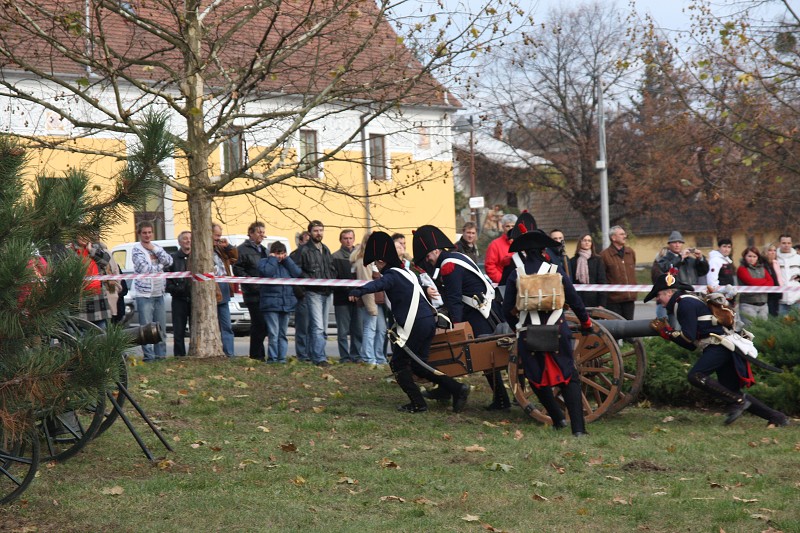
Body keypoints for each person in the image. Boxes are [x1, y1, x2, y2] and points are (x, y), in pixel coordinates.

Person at [348, 232, 470, 413]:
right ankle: (456, 389)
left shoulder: (391, 275)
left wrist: (358, 291)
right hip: (427, 322)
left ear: (382, 262)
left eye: (376, 263)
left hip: (416, 325)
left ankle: (418, 403)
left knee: (397, 364)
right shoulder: (406, 273)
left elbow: (378, 285)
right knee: (419, 366)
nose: (377, 267)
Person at [645, 272, 789, 427]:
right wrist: (668, 334)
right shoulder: (684, 301)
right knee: (731, 390)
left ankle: (738, 402)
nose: (657, 300)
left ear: (669, 292)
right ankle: (776, 417)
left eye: (659, 295)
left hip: (719, 345)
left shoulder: (683, 303)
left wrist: (666, 332)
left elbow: (688, 336)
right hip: (721, 345)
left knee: (696, 376)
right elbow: (691, 344)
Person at [502, 229, 593, 437]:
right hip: (557, 331)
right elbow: (575, 300)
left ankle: (558, 418)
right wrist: (585, 322)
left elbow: (506, 309)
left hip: (528, 333)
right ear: (544, 251)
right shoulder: (556, 269)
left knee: (535, 378)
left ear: (525, 253)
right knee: (569, 377)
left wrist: (518, 325)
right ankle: (578, 430)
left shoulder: (517, 274)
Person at [414, 224, 511, 411]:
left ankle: (501, 400)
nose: (428, 260)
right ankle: (446, 388)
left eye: (428, 256)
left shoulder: (449, 265)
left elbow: (455, 298)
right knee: (486, 358)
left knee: (486, 358)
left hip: (478, 314)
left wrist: (456, 326)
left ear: (436, 250)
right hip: (479, 310)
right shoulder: (454, 257)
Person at [296, 220, 335, 367]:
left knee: (323, 327)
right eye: (316, 230)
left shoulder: (325, 249)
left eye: (321, 230)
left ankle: (317, 355)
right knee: (317, 327)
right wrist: (310, 282)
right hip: (313, 292)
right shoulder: (304, 250)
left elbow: (331, 268)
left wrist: (331, 281)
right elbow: (297, 271)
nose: (319, 233)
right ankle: (319, 358)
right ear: (310, 232)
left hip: (327, 291)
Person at [132, 221, 172, 361]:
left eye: (149, 232)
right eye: (144, 232)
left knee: (161, 327)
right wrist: (161, 266)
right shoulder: (136, 250)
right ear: (139, 234)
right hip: (144, 295)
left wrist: (154, 249)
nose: (147, 235)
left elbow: (169, 261)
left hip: (159, 293)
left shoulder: (156, 247)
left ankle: (161, 356)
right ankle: (149, 357)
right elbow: (145, 269)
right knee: (146, 329)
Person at [259, 241, 303, 363]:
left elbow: (297, 273)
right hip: (270, 304)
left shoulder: (287, 264)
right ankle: (272, 358)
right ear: (272, 253)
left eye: (283, 253)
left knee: (282, 334)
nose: (280, 256)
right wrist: (272, 259)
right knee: (273, 333)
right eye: (278, 254)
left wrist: (287, 260)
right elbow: (267, 273)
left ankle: (282, 358)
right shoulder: (264, 262)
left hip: (286, 304)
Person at [351, 232, 388, 367]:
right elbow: (366, 285)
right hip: (370, 302)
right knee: (370, 329)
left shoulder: (373, 262)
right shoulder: (363, 262)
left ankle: (379, 358)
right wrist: (371, 307)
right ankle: (368, 358)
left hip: (378, 302)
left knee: (381, 330)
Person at [234, 222, 269, 361]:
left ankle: (259, 353)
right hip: (252, 293)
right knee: (259, 323)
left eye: (263, 232)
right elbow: (238, 269)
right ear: (251, 233)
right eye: (259, 232)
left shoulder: (265, 250)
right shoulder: (242, 249)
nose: (262, 235)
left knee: (262, 325)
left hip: (265, 293)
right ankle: (256, 354)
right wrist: (251, 283)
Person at [331, 229, 362, 363]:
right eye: (345, 238)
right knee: (343, 331)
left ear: (354, 239)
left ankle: (356, 356)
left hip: (358, 298)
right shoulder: (335, 256)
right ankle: (344, 357)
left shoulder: (360, 256)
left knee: (358, 330)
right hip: (341, 299)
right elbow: (334, 278)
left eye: (350, 238)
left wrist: (357, 292)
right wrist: (349, 292)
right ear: (340, 240)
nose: (348, 241)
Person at [72, 235, 113, 329]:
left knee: (101, 334)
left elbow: (105, 261)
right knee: (83, 335)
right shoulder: (71, 250)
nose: (83, 236)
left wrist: (90, 250)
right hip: (80, 299)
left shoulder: (96, 248)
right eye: (80, 234)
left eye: (85, 233)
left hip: (97, 298)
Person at [599, 225, 637, 320]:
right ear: (613, 238)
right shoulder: (604, 255)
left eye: (624, 234)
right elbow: (602, 277)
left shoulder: (630, 252)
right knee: (617, 328)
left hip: (629, 299)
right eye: (621, 234)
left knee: (629, 327)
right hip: (613, 300)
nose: (625, 236)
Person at [213, 223, 238, 357]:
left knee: (226, 325)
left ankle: (229, 353)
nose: (219, 239)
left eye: (220, 236)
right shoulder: (201, 248)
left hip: (224, 291)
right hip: (211, 291)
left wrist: (228, 246)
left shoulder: (220, 249)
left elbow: (234, 258)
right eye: (216, 235)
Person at [165, 231, 192, 356]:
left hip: (194, 299)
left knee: (196, 329)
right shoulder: (173, 259)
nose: (188, 241)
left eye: (190, 238)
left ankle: (194, 353)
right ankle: (179, 356)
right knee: (179, 331)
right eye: (185, 239)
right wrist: (178, 289)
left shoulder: (197, 257)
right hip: (179, 300)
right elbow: (167, 282)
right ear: (180, 242)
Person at [568, 233, 607, 308]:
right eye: (584, 240)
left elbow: (602, 281)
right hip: (578, 299)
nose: (587, 242)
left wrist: (602, 303)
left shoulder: (597, 260)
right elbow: (571, 282)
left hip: (594, 300)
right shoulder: (573, 261)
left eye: (589, 241)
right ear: (580, 242)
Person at [736, 246, 773, 323]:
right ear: (745, 256)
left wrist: (760, 282)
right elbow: (750, 282)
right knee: (750, 331)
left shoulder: (762, 268)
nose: (752, 259)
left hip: (763, 305)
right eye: (749, 256)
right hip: (748, 304)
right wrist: (764, 280)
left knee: (763, 331)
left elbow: (771, 282)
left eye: (754, 256)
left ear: (757, 258)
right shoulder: (742, 268)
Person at [290, 231, 311, 361]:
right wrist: (300, 293)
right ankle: (303, 355)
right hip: (302, 295)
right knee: (302, 327)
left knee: (314, 327)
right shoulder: (295, 255)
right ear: (301, 241)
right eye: (306, 241)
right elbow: (293, 276)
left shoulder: (316, 254)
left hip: (315, 294)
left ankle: (312, 353)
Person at [484, 213, 518, 285]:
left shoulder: (521, 243)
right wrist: (503, 280)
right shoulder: (495, 245)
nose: (510, 228)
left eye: (513, 226)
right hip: (503, 285)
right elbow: (490, 267)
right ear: (503, 227)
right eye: (507, 226)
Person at [776, 234, 800, 315]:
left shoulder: (798, 258)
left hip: (797, 300)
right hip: (780, 300)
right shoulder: (775, 258)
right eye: (784, 243)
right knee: (782, 326)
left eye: (789, 243)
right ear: (779, 244)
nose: (786, 245)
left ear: (791, 244)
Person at [763, 243, 782, 317]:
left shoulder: (776, 263)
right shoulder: (763, 264)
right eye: (770, 250)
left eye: (774, 250)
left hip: (777, 294)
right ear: (765, 252)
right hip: (768, 295)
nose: (773, 252)